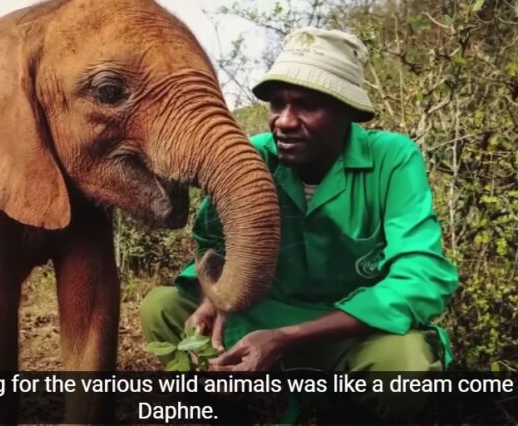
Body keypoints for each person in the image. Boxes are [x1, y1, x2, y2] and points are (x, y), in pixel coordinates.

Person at [140, 27, 459, 422]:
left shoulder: (392, 160)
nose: (284, 121)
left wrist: (289, 339)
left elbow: (421, 274)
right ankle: (221, 408)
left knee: (404, 365)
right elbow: (215, 242)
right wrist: (216, 298)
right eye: (277, 104)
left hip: (351, 327)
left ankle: (341, 411)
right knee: (163, 308)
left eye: (307, 105)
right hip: (262, 315)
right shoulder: (254, 156)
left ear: (347, 112)